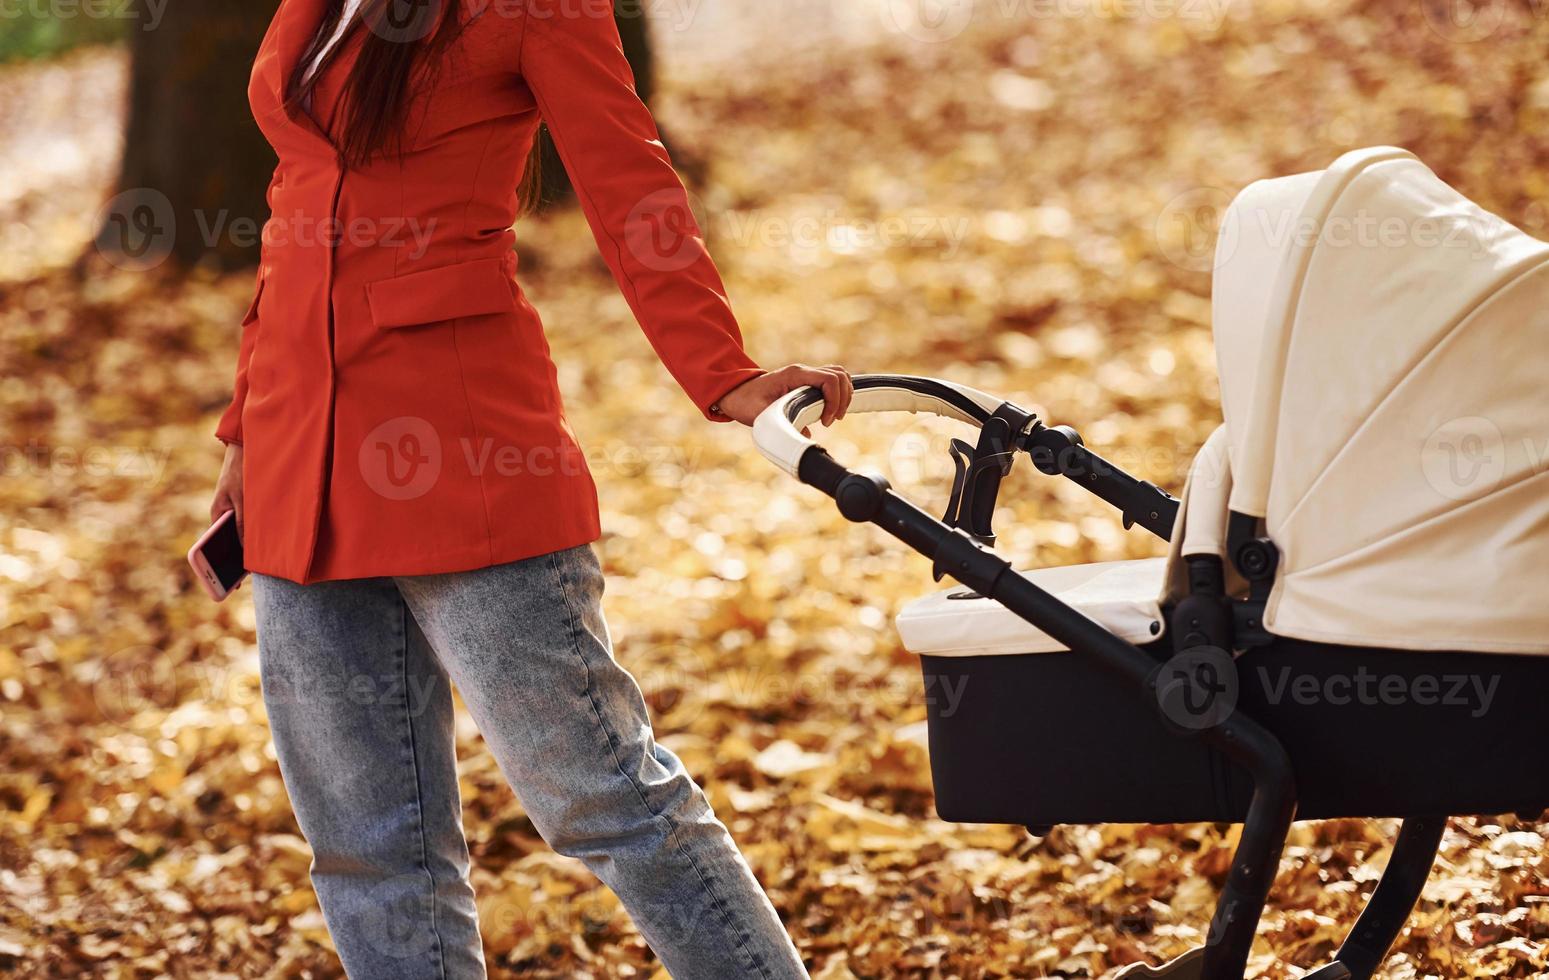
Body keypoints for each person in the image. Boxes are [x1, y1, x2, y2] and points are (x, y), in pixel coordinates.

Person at [208, 1, 851, 975]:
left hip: (466, 460)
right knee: (362, 845)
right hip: (299, 463)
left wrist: (723, 373)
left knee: (608, 798)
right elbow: (294, 206)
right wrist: (243, 430)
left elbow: (630, 180)